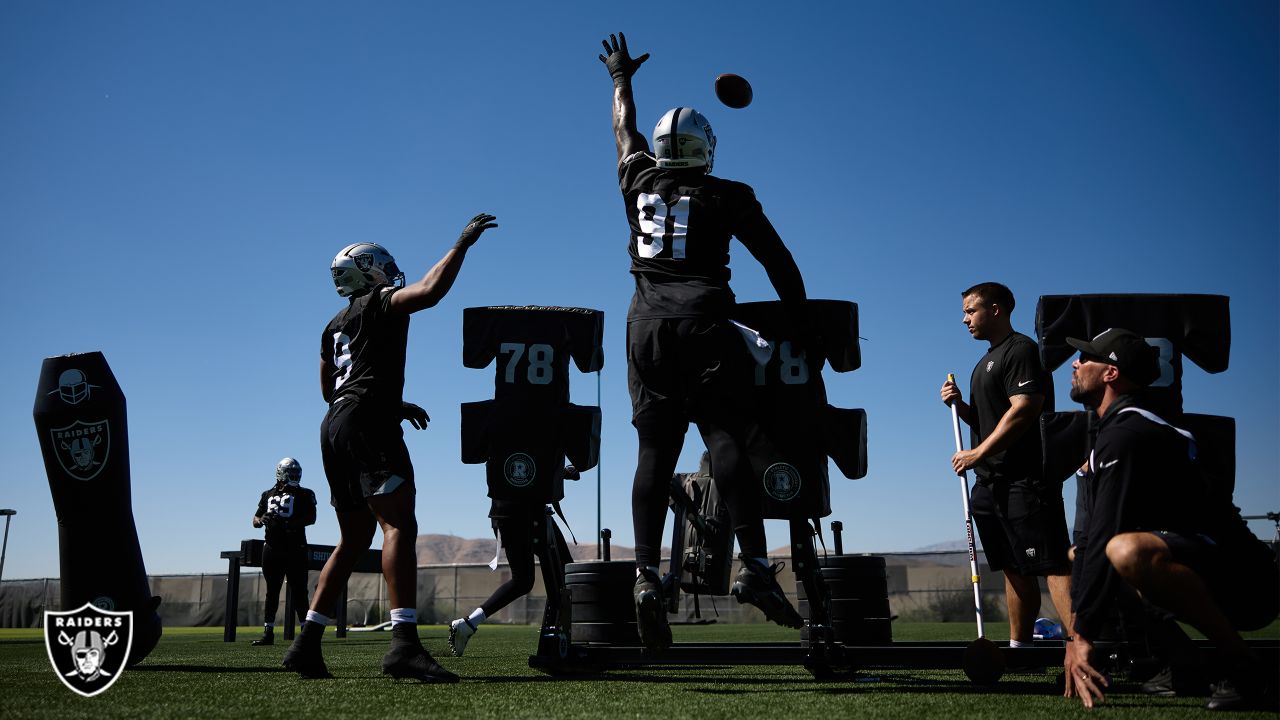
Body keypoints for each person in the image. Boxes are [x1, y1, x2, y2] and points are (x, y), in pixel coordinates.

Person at [598, 32, 808, 651]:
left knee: (653, 454)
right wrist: (796, 319)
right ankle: (754, 565)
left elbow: (623, 134)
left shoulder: (638, 182)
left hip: (645, 329)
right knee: (724, 439)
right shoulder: (729, 195)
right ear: (706, 150)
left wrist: (620, 80)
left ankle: (643, 576)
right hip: (705, 325)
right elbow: (778, 261)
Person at [282, 213, 497, 682]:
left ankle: (306, 644)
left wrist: (390, 402)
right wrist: (461, 244)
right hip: (367, 424)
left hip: (334, 424)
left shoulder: (333, 322)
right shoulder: (379, 302)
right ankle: (404, 645)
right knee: (398, 524)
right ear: (369, 271)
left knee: (354, 537)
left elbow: (331, 387)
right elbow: (430, 291)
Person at [1061, 328, 1279, 711]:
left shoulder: (1128, 431)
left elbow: (1109, 534)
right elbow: (1093, 540)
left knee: (1125, 550)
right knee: (1083, 554)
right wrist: (1075, 635)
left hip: (1247, 582)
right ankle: (1185, 665)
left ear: (1111, 373)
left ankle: (1245, 669)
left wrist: (1083, 637)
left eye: (1086, 358)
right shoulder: (1113, 432)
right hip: (1203, 565)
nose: (1075, 364)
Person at [940, 282, 1072, 648]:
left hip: (1025, 479)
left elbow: (1025, 409)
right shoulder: (984, 362)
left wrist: (976, 454)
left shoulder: (1021, 350)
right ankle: (1020, 648)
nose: (965, 319)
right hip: (990, 482)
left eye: (971, 311)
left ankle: (1082, 647)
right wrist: (960, 407)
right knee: (1014, 567)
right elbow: (989, 421)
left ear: (995, 310)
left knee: (1052, 564)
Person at [446, 466, 577, 656]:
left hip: (505, 513)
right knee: (561, 569)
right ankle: (565, 634)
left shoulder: (500, 439)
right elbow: (532, 466)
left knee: (526, 579)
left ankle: (468, 624)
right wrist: (561, 472)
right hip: (527, 513)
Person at [250, 457, 317, 646]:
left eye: (297, 473)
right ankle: (268, 632)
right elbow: (255, 519)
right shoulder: (267, 494)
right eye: (291, 473)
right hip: (272, 547)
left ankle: (306, 633)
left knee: (299, 591)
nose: (295, 476)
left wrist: (287, 524)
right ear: (281, 473)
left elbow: (311, 518)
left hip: (295, 547)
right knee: (272, 591)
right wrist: (262, 519)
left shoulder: (305, 494)